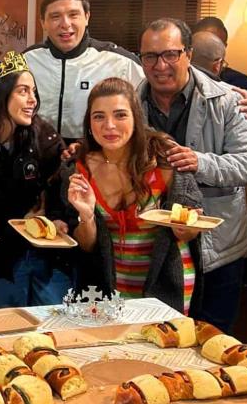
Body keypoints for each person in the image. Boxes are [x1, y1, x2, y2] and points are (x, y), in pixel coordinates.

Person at [137, 18, 247, 329]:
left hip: (216, 248)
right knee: (157, 340)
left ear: (189, 54)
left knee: (213, 339)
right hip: (152, 248)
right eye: (150, 56)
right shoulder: (131, 103)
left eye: (170, 54)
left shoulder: (229, 101)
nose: (160, 65)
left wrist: (200, 162)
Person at [64, 77, 203, 314]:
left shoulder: (164, 158)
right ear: (89, 123)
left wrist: (187, 227)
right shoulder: (79, 169)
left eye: (120, 115)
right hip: (109, 289)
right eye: (99, 116)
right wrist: (86, 217)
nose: (109, 125)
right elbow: (86, 246)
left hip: (166, 285)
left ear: (136, 118)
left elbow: (192, 226)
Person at [0, 52, 70, 308]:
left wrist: (59, 218)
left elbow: (59, 192)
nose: (32, 100)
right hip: (0, 259)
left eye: (34, 92)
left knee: (53, 329)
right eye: (23, 91)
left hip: (46, 257)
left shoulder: (46, 139)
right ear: (1, 95)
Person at [24, 0, 145, 143]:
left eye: (73, 15)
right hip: (37, 154)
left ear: (87, 17)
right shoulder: (26, 61)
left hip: (97, 155)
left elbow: (146, 116)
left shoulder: (121, 62)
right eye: (55, 16)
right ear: (43, 23)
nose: (65, 24)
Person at [192, 17, 247, 128]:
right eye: (202, 42)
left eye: (215, 43)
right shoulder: (175, 81)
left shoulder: (242, 86)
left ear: (224, 48)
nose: (208, 48)